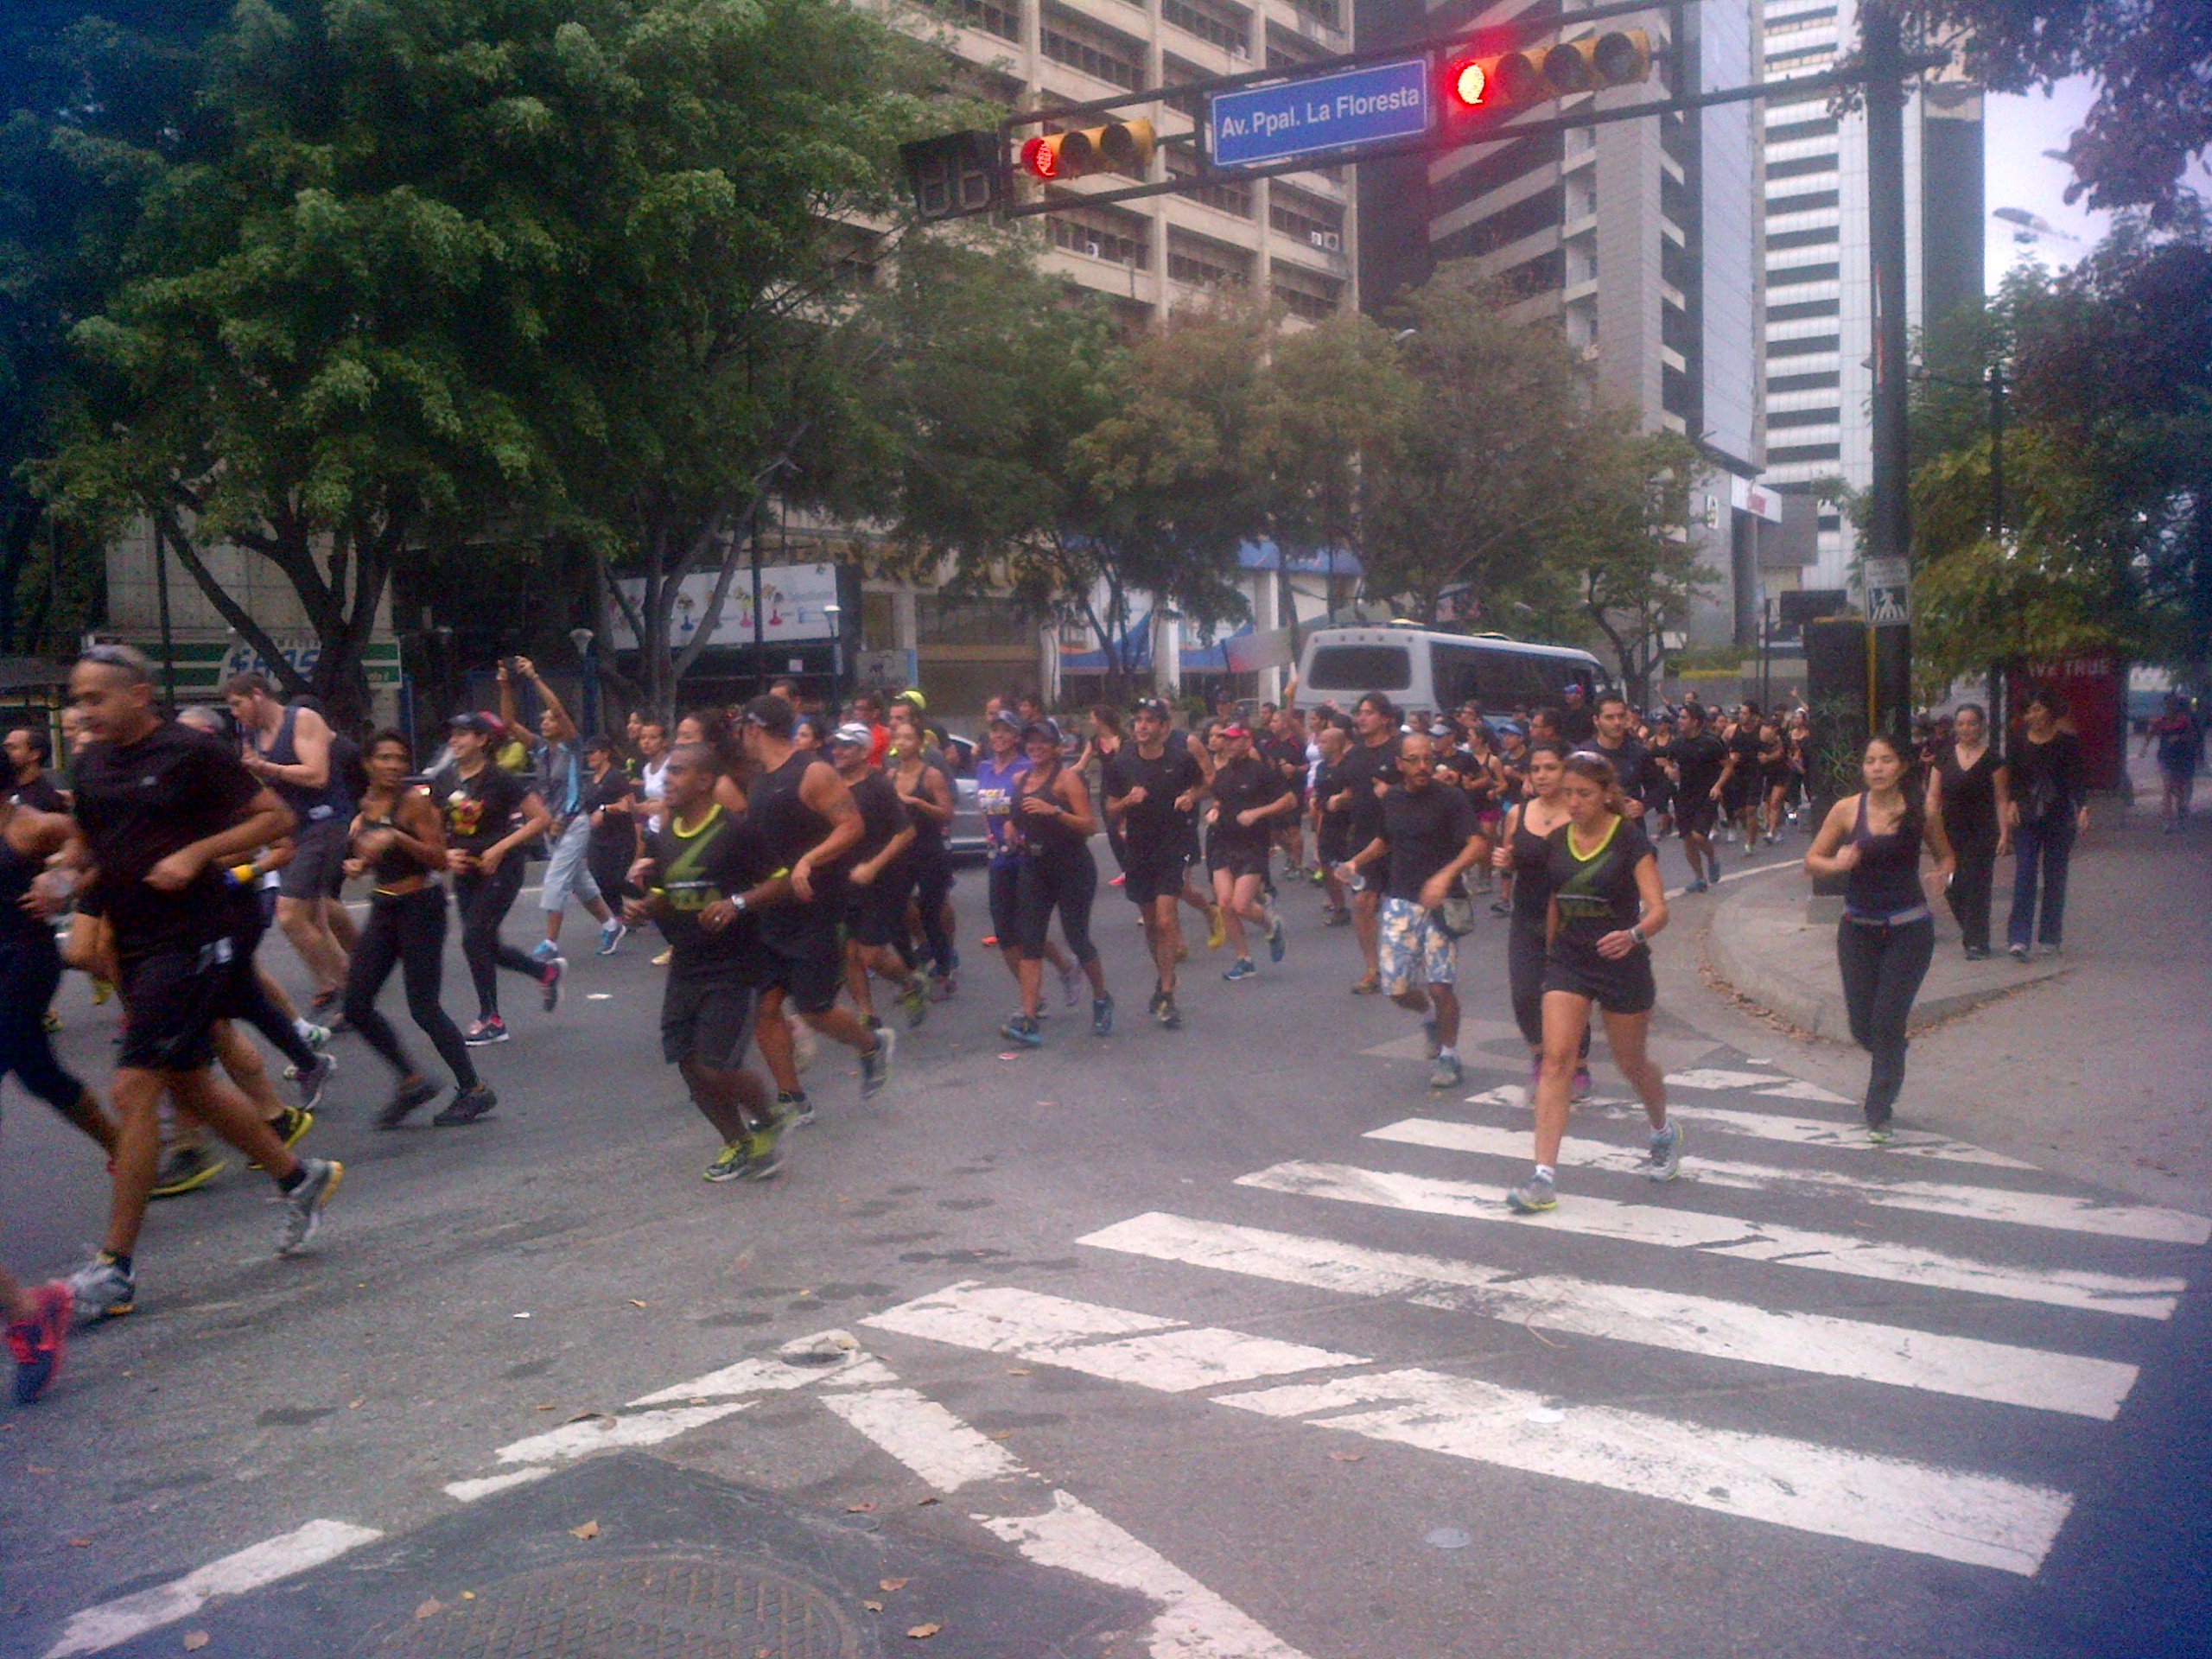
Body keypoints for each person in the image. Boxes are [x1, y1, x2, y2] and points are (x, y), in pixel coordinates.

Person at [59, 645, 342, 1319]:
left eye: (97, 697)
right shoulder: (92, 761)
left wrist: (195, 853)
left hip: (194, 938)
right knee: (186, 1080)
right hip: (132, 940)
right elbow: (93, 843)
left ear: (139, 694)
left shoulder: (191, 751)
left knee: (134, 1090)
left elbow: (276, 820)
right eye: (79, 699)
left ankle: (114, 1270)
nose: (85, 711)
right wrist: (72, 883)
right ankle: (298, 1177)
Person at [1505, 751, 1679, 1215]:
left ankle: (1662, 1129)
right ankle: (1543, 1176)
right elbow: (1553, 901)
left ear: (1606, 794)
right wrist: (1546, 956)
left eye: (1584, 793)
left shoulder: (1629, 841)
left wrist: (1633, 935)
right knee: (1556, 1059)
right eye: (1568, 794)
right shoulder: (1558, 840)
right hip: (1569, 961)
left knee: (1631, 1063)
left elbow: (1659, 909)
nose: (1575, 802)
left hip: (1622, 962)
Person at [626, 744, 792, 1180]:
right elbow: (665, 893)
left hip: (735, 967)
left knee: (716, 1065)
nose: (667, 780)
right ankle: (735, 1141)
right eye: (665, 773)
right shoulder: (664, 835)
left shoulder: (735, 830)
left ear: (704, 780)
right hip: (687, 964)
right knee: (686, 1062)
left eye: (677, 772)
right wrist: (645, 907)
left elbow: (781, 883)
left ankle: (767, 1117)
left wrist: (736, 902)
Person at [736, 695, 893, 1108]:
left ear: (755, 728)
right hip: (771, 911)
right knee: (765, 1009)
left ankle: (871, 1045)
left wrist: (808, 860)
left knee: (814, 1010)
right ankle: (793, 1099)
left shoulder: (813, 771)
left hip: (816, 911)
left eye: (743, 729)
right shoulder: (760, 780)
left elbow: (851, 825)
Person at [343, 731, 497, 1128]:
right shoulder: (365, 806)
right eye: (385, 758)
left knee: (424, 1007)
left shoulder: (413, 803)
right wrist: (358, 864)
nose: (394, 766)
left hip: (420, 908)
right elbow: (367, 855)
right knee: (355, 1005)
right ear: (368, 763)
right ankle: (412, 1080)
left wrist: (396, 836)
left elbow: (439, 859)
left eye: (400, 759)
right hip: (384, 906)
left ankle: (474, 1089)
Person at [1807, 733, 1956, 1141]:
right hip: (1858, 930)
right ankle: (1892, 1056)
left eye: (1886, 760)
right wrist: (1838, 863)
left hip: (1909, 929)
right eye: (1870, 760)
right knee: (1861, 1026)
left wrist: (1944, 874)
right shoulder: (1845, 810)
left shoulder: (1922, 809)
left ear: (1902, 766)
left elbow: (1945, 855)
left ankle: (1879, 1110)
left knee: (1887, 1022)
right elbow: (1812, 861)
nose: (1877, 768)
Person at [1340, 730, 1487, 1089]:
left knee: (1440, 986)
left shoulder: (1451, 799)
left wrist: (1445, 876)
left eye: (1428, 758)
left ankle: (1449, 1055)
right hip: (1401, 902)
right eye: (1415, 760)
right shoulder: (1391, 799)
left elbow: (1477, 844)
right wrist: (1354, 863)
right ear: (1401, 764)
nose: (1424, 766)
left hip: (1443, 904)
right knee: (1396, 988)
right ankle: (1430, 1020)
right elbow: (1384, 840)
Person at [225, 672, 355, 1011]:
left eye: (237, 704)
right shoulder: (252, 736)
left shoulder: (301, 719)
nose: (235, 713)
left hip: (324, 822)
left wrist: (267, 766)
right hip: (294, 830)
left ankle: (347, 989)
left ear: (257, 695)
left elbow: (317, 774)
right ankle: (344, 980)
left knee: (289, 915)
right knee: (314, 913)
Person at [430, 712, 560, 1044]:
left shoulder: (500, 778)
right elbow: (431, 829)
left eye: (463, 734)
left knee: (474, 938)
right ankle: (544, 971)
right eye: (452, 735)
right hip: (466, 870)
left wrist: (501, 848)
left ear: (482, 739)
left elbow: (540, 818)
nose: (454, 741)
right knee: (488, 945)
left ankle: (491, 1017)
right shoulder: (444, 780)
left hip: (502, 868)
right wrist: (445, 853)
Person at [499, 658, 623, 961]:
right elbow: (508, 725)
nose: (544, 722)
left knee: (556, 879)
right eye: (542, 719)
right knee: (580, 881)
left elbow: (559, 711)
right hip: (551, 826)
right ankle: (611, 924)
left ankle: (550, 944)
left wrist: (534, 677)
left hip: (573, 823)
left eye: (549, 719)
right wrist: (505, 687)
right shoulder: (541, 748)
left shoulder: (571, 745)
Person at [1002, 718, 1113, 1046]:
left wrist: (1055, 812)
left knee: (1077, 938)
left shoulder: (1067, 781)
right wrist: (1011, 828)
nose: (1035, 747)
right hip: (1035, 866)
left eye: (1043, 742)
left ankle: (1101, 997)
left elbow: (1090, 826)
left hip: (1072, 867)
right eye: (1031, 742)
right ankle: (1029, 1019)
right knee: (1030, 939)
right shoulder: (1020, 779)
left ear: (1056, 747)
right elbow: (1016, 814)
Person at [1103, 696, 1211, 1028]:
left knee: (1166, 920)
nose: (1142, 726)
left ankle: (1167, 991)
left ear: (1164, 727)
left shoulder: (1179, 759)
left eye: (1150, 721)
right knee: (1151, 924)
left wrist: (1192, 797)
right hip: (1139, 849)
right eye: (1137, 720)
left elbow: (1205, 782)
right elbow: (1108, 808)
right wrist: (1126, 800)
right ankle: (1163, 979)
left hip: (1172, 846)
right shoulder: (1122, 763)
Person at [1492, 742, 1592, 1095]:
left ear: (1565, 770)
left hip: (1570, 918)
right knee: (1524, 993)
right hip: (1527, 913)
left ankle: (1578, 1063)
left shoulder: (1579, 812)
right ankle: (1539, 1055)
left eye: (1550, 767)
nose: (1543, 775)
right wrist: (1504, 863)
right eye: (1536, 769)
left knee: (1569, 994)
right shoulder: (1518, 813)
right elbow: (1509, 856)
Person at [829, 721, 927, 1030]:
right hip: (843, 880)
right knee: (848, 951)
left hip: (883, 881)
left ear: (863, 751)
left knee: (869, 955)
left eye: (846, 746)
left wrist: (873, 866)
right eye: (836, 745)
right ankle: (867, 1014)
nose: (838, 751)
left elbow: (906, 832)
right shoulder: (829, 785)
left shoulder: (878, 786)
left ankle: (909, 982)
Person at [1204, 722, 1296, 981]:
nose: (1229, 744)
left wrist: (1258, 813)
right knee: (1224, 904)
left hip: (1252, 845)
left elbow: (1289, 800)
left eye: (1234, 739)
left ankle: (1271, 925)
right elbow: (1220, 799)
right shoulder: (1223, 773)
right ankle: (1244, 960)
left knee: (1241, 905)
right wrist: (1214, 810)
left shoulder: (1262, 772)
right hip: (1223, 842)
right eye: (1226, 740)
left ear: (1247, 740)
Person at [2005, 686, 2088, 960]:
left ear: (2051, 710)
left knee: (2054, 877)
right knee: (2025, 873)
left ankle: (2050, 936)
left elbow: (2076, 778)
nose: (2033, 715)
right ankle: (2018, 938)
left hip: (2059, 817)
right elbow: (2014, 778)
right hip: (2027, 817)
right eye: (2028, 710)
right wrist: (2012, 802)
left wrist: (2082, 807)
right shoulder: (2017, 742)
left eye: (2038, 708)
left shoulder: (2067, 742)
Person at [1331, 694, 1401, 994]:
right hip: (1363, 840)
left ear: (1385, 718)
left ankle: (1405, 960)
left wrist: (1394, 791)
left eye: (1369, 713)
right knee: (1362, 902)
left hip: (1400, 839)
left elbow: (1423, 787)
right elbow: (1350, 790)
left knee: (1403, 908)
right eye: (1359, 713)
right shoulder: (1354, 756)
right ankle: (1373, 969)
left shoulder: (1399, 751)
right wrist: (1339, 799)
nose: (1361, 718)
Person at [888, 703, 959, 997]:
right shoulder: (889, 776)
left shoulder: (930, 775)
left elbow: (947, 814)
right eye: (898, 738)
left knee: (930, 913)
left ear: (920, 744)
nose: (902, 743)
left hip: (929, 849)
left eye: (908, 738)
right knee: (894, 912)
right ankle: (911, 970)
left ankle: (943, 970)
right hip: (900, 852)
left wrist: (918, 803)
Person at [1930, 703, 2007, 958]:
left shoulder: (1993, 759)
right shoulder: (1943, 756)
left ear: (1982, 726)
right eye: (1961, 723)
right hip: (1949, 830)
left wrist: (2005, 832)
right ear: (1955, 727)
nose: (1966, 728)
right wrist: (1929, 826)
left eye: (1972, 723)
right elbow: (1932, 796)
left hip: (1982, 830)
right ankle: (1972, 931)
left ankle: (1977, 942)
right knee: (1952, 886)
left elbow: (2000, 799)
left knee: (1978, 885)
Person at [580, 734, 639, 932]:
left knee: (616, 879)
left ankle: (646, 900)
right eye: (586, 754)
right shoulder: (591, 781)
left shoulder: (615, 777)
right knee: (598, 880)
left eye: (593, 752)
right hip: (599, 838)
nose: (589, 757)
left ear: (605, 753)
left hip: (619, 837)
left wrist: (605, 809)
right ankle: (619, 917)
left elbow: (628, 805)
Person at [1669, 702, 1729, 892]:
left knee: (1698, 835)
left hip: (1707, 794)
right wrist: (1670, 771)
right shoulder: (1677, 744)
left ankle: (1712, 859)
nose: (1680, 721)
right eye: (1679, 717)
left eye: (1684, 717)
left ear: (1695, 721)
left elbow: (1728, 765)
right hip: (1684, 794)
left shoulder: (1711, 742)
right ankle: (1700, 878)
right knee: (1687, 837)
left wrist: (1718, 786)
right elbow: (1670, 763)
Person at [1309, 721, 1354, 927]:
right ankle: (1340, 908)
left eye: (1324, 741)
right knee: (1326, 864)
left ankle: (1367, 897)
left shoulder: (1348, 766)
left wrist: (1342, 798)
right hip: (1328, 821)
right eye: (1319, 741)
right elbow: (1318, 795)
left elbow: (1354, 792)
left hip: (1350, 823)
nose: (1319, 744)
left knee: (1353, 864)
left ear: (1336, 745)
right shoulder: (1321, 768)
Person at [2141, 691, 2202, 830]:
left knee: (2179, 788)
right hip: (2165, 758)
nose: (2171, 707)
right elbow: (2150, 734)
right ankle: (2167, 821)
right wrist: (2143, 749)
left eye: (2173, 704)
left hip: (2181, 758)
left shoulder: (2184, 721)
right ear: (2165, 705)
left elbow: (2192, 737)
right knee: (2168, 787)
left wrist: (2183, 741)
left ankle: (2181, 815)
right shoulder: (2160, 721)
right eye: (2169, 704)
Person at [5, 725, 67, 813]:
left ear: (34, 754)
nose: (5, 753)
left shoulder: (46, 799)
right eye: (5, 748)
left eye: (13, 748)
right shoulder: (5, 790)